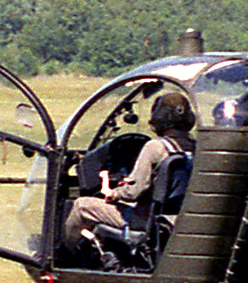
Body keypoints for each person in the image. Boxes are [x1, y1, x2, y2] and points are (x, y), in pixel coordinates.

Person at [63, 92, 196, 249]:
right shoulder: (196, 149)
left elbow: (133, 192)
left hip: (145, 220)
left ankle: (64, 254)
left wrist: (114, 193)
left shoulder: (155, 147)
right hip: (179, 219)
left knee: (81, 206)